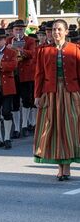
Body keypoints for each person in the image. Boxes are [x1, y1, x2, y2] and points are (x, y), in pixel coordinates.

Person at [34, 19, 80, 181]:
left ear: (66, 32)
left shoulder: (75, 49)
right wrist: (37, 95)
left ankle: (66, 166)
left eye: (60, 29)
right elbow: (39, 74)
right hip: (51, 94)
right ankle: (61, 167)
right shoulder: (43, 50)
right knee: (54, 129)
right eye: (54, 30)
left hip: (71, 94)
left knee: (70, 128)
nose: (56, 32)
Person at [6, 19, 36, 138]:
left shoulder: (30, 40)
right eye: (16, 29)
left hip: (26, 74)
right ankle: (17, 128)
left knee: (26, 99)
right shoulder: (8, 40)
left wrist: (19, 50)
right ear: (12, 31)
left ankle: (24, 125)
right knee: (14, 102)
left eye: (21, 29)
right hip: (13, 74)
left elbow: (32, 53)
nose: (18, 31)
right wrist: (9, 48)